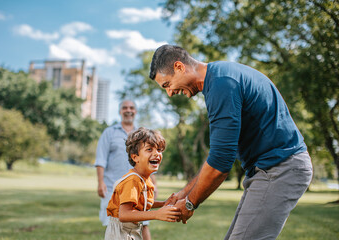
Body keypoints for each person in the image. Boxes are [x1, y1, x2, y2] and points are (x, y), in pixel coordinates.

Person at [149, 44, 313, 239]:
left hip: (281, 167)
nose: (170, 93)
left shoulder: (222, 84)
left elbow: (221, 162)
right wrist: (184, 192)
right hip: (267, 169)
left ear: (179, 67)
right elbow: (217, 155)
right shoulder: (218, 79)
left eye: (167, 85)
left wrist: (190, 203)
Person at [94, 100, 157, 239]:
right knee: (114, 223)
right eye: (125, 108)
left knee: (143, 224)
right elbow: (101, 159)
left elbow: (149, 161)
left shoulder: (143, 135)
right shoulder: (109, 133)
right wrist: (100, 182)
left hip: (139, 189)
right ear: (120, 111)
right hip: (113, 188)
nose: (128, 110)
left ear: (135, 111)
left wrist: (154, 184)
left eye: (131, 108)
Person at [104, 127, 181, 240]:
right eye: (149, 149)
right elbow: (124, 214)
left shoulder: (144, 179)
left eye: (159, 150)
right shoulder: (132, 181)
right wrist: (156, 214)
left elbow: (140, 202)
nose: (156, 154)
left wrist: (163, 204)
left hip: (131, 230)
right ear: (135, 157)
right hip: (120, 233)